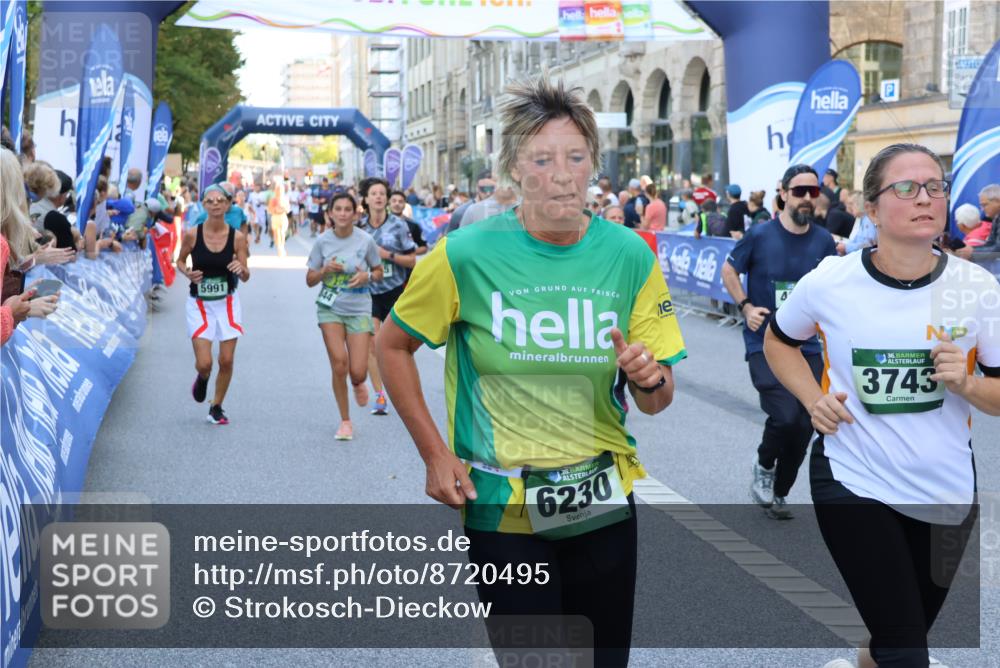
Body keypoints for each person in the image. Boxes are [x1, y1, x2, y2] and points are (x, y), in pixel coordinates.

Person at [376, 76, 687, 668]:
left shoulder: (630, 255)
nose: (563, 174)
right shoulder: (464, 254)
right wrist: (434, 455)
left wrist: (650, 378)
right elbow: (391, 346)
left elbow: (657, 399)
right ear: (514, 169)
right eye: (543, 159)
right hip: (501, 499)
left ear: (594, 163)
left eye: (576, 157)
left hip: (601, 495)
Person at [767, 143, 1000, 668]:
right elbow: (779, 341)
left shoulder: (979, 290)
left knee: (903, 628)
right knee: (905, 645)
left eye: (935, 186)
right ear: (871, 208)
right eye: (905, 188)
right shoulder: (832, 280)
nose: (925, 198)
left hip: (945, 489)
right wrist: (812, 400)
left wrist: (965, 384)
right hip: (854, 477)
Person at [721, 164, 837, 519]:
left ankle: (780, 490)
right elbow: (729, 269)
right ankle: (764, 464)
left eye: (813, 192)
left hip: (809, 345)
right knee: (786, 416)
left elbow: (832, 288)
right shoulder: (759, 235)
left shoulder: (824, 240)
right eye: (799, 191)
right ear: (783, 193)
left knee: (807, 423)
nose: (806, 198)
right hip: (765, 341)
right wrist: (746, 306)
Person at [307, 192, 384, 440]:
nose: (342, 213)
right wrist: (324, 269)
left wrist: (367, 277)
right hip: (330, 308)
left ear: (355, 213)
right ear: (330, 213)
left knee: (358, 370)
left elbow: (379, 271)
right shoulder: (322, 242)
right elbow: (309, 280)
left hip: (360, 307)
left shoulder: (365, 241)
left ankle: (358, 382)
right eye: (337, 209)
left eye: (346, 209)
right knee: (339, 363)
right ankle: (345, 420)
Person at [176, 184, 251, 425]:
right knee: (205, 362)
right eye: (210, 201)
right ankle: (203, 376)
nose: (216, 204)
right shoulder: (192, 234)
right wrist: (187, 273)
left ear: (228, 204)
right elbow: (179, 260)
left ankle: (216, 406)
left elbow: (246, 273)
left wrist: (241, 270)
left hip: (227, 302)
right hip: (199, 304)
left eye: (220, 200)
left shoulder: (237, 238)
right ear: (204, 205)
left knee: (226, 360)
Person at [358, 176, 417, 415]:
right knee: (373, 343)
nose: (379, 197)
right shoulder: (359, 228)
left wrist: (387, 255)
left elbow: (412, 260)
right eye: (374, 193)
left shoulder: (399, 225)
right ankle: (380, 395)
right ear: (366, 199)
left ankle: (406, 392)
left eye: (382, 193)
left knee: (400, 346)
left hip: (395, 290)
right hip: (369, 292)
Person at [388, 190, 428, 256]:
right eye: (394, 201)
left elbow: (424, 247)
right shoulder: (381, 222)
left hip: (406, 264)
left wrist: (407, 253)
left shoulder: (413, 225)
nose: (397, 204)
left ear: (405, 204)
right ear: (389, 203)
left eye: (400, 202)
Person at [973, 183, 1000, 252]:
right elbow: (990, 244)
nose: (982, 209)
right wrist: (969, 250)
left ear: (998, 201)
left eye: (985, 205)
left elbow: (998, 250)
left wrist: (971, 252)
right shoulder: (996, 218)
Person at [268, 179, 291, 257]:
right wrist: (275, 209)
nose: (279, 191)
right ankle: (279, 248)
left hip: (283, 217)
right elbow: (270, 209)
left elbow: (288, 209)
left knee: (282, 233)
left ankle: (282, 247)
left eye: (281, 189)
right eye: (278, 189)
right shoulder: (273, 199)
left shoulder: (285, 199)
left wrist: (282, 208)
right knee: (277, 233)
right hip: (275, 217)